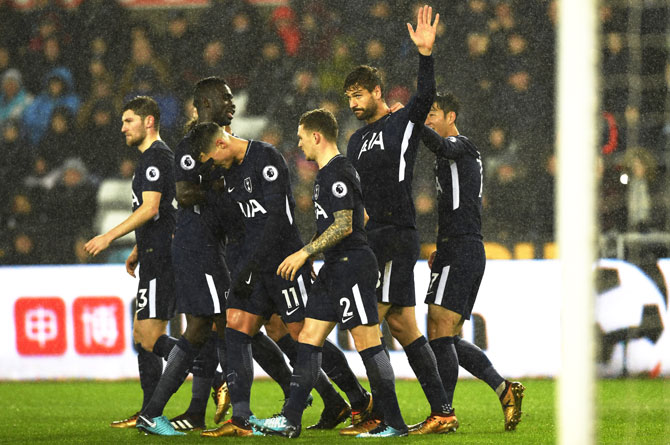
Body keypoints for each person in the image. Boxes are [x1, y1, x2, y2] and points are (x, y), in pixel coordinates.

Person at [252, 108, 408, 438]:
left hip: (351, 267)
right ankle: (291, 419)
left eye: (301, 137)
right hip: (333, 267)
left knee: (367, 342)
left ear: (317, 136)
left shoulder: (338, 171)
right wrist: (315, 251)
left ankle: (394, 422)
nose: (299, 143)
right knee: (308, 337)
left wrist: (306, 251)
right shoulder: (326, 174)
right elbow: (351, 220)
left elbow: (346, 224)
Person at [342, 5, 455, 435]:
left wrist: (425, 55)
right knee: (403, 324)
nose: (353, 103)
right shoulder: (353, 141)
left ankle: (383, 417)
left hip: (395, 233)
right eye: (348, 97)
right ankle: (442, 410)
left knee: (367, 322)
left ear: (376, 91)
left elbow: (425, 99)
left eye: (359, 94)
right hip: (372, 236)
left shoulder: (401, 123)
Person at [421, 91, 525, 431]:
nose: (427, 119)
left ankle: (444, 413)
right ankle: (503, 388)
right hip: (455, 247)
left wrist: (407, 118)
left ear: (451, 117)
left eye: (432, 113)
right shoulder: (447, 156)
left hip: (464, 248)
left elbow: (441, 146)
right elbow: (450, 205)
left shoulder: (462, 145)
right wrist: (440, 244)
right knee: (443, 334)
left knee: (439, 327)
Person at [84, 96, 179, 428]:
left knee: (151, 338)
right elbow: (164, 211)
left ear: (148, 121)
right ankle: (149, 411)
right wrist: (139, 247)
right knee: (142, 335)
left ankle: (208, 367)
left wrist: (109, 237)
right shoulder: (151, 159)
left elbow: (151, 208)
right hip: (152, 254)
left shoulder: (156, 158)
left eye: (128, 121)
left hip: (163, 258)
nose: (122, 127)